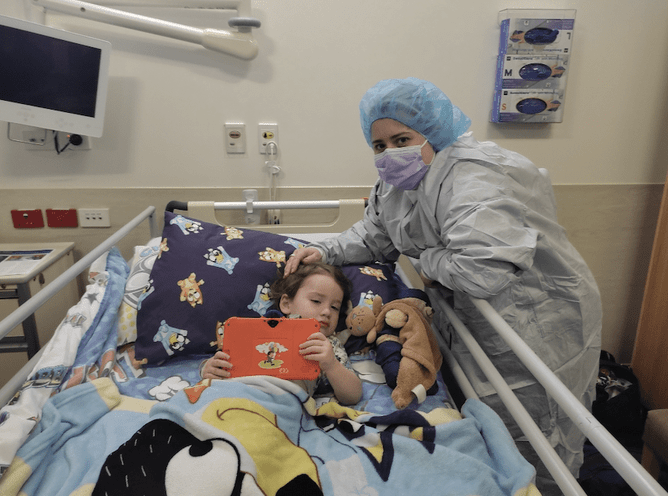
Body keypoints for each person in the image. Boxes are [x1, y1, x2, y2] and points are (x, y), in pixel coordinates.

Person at [285, 77, 602, 495]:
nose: (389, 153)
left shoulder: (476, 175)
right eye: (379, 145)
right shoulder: (397, 183)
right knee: (494, 425)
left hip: (538, 316)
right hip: (474, 315)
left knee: (543, 427)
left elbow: (480, 272)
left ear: (433, 132)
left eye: (401, 139)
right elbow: (375, 235)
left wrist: (426, 258)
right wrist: (325, 251)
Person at [201, 263, 363, 406]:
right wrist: (208, 369)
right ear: (286, 303)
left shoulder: (329, 346)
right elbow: (224, 360)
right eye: (316, 301)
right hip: (237, 395)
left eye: (335, 307)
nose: (327, 311)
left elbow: (353, 396)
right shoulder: (262, 329)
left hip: (283, 405)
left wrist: (331, 365)